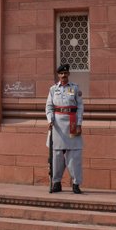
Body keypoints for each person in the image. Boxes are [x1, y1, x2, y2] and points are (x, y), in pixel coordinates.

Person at [45, 64, 84, 194]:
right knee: (56, 155)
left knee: (74, 155)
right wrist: (50, 120)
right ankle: (56, 182)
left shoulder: (75, 88)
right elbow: (49, 107)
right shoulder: (52, 89)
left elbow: (80, 107)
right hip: (57, 125)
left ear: (68, 74)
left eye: (65, 74)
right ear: (58, 75)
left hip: (72, 123)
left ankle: (76, 183)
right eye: (61, 74)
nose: (63, 76)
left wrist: (79, 123)